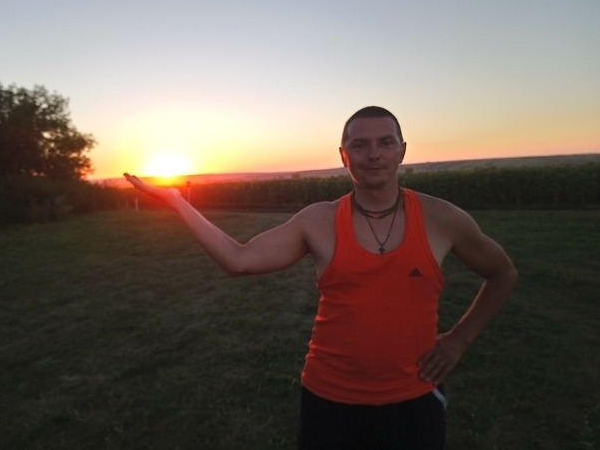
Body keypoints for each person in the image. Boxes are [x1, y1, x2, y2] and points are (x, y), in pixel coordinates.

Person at [124, 106, 518, 449]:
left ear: (401, 150)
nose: (374, 154)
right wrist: (177, 201)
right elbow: (239, 259)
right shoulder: (318, 220)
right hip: (330, 399)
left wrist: (459, 339)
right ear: (344, 156)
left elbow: (502, 273)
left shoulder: (441, 218)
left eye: (385, 142)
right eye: (360, 145)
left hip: (414, 398)